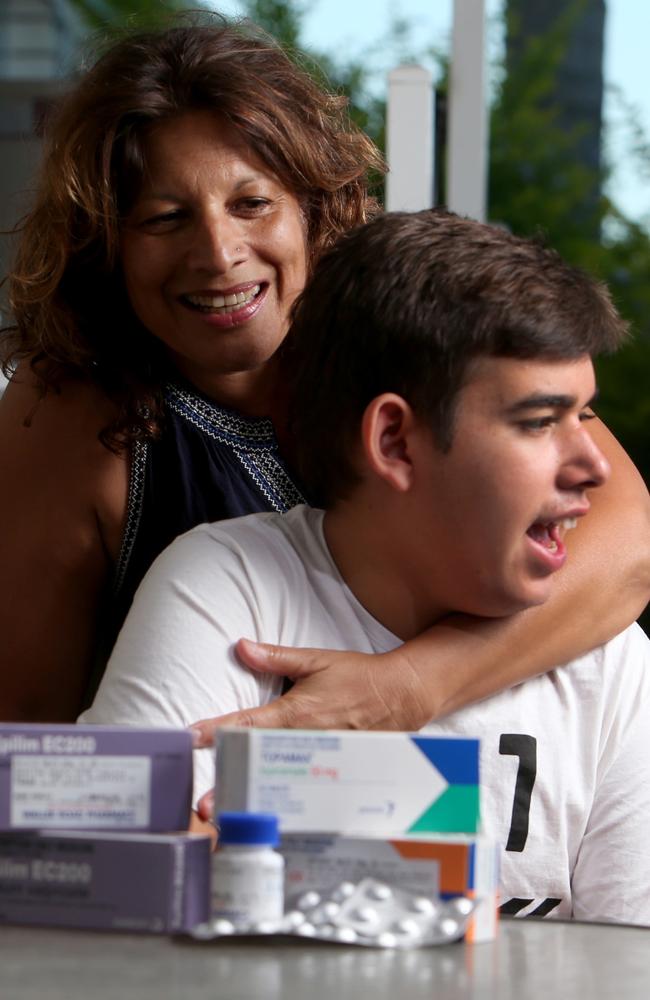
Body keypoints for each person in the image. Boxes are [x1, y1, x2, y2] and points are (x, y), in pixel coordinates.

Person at [1, 18, 648, 729]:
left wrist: (410, 688)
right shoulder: (72, 411)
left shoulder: (409, 333)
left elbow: (628, 547)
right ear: (105, 243)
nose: (218, 253)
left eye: (252, 204)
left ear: (313, 209)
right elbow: (26, 724)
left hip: (461, 793)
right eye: (164, 218)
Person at [82, 210, 650, 926]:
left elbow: (631, 965)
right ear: (395, 441)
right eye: (539, 421)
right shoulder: (228, 589)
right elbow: (122, 892)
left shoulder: (613, 657)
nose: (596, 468)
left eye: (586, 417)